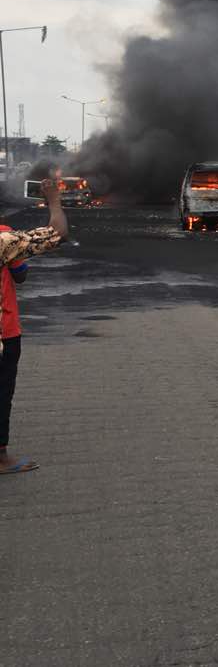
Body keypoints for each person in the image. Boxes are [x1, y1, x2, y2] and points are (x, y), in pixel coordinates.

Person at [0, 178, 69, 475]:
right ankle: (1, 458)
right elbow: (57, 234)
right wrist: (53, 199)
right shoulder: (4, 240)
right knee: (2, 392)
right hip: (3, 333)